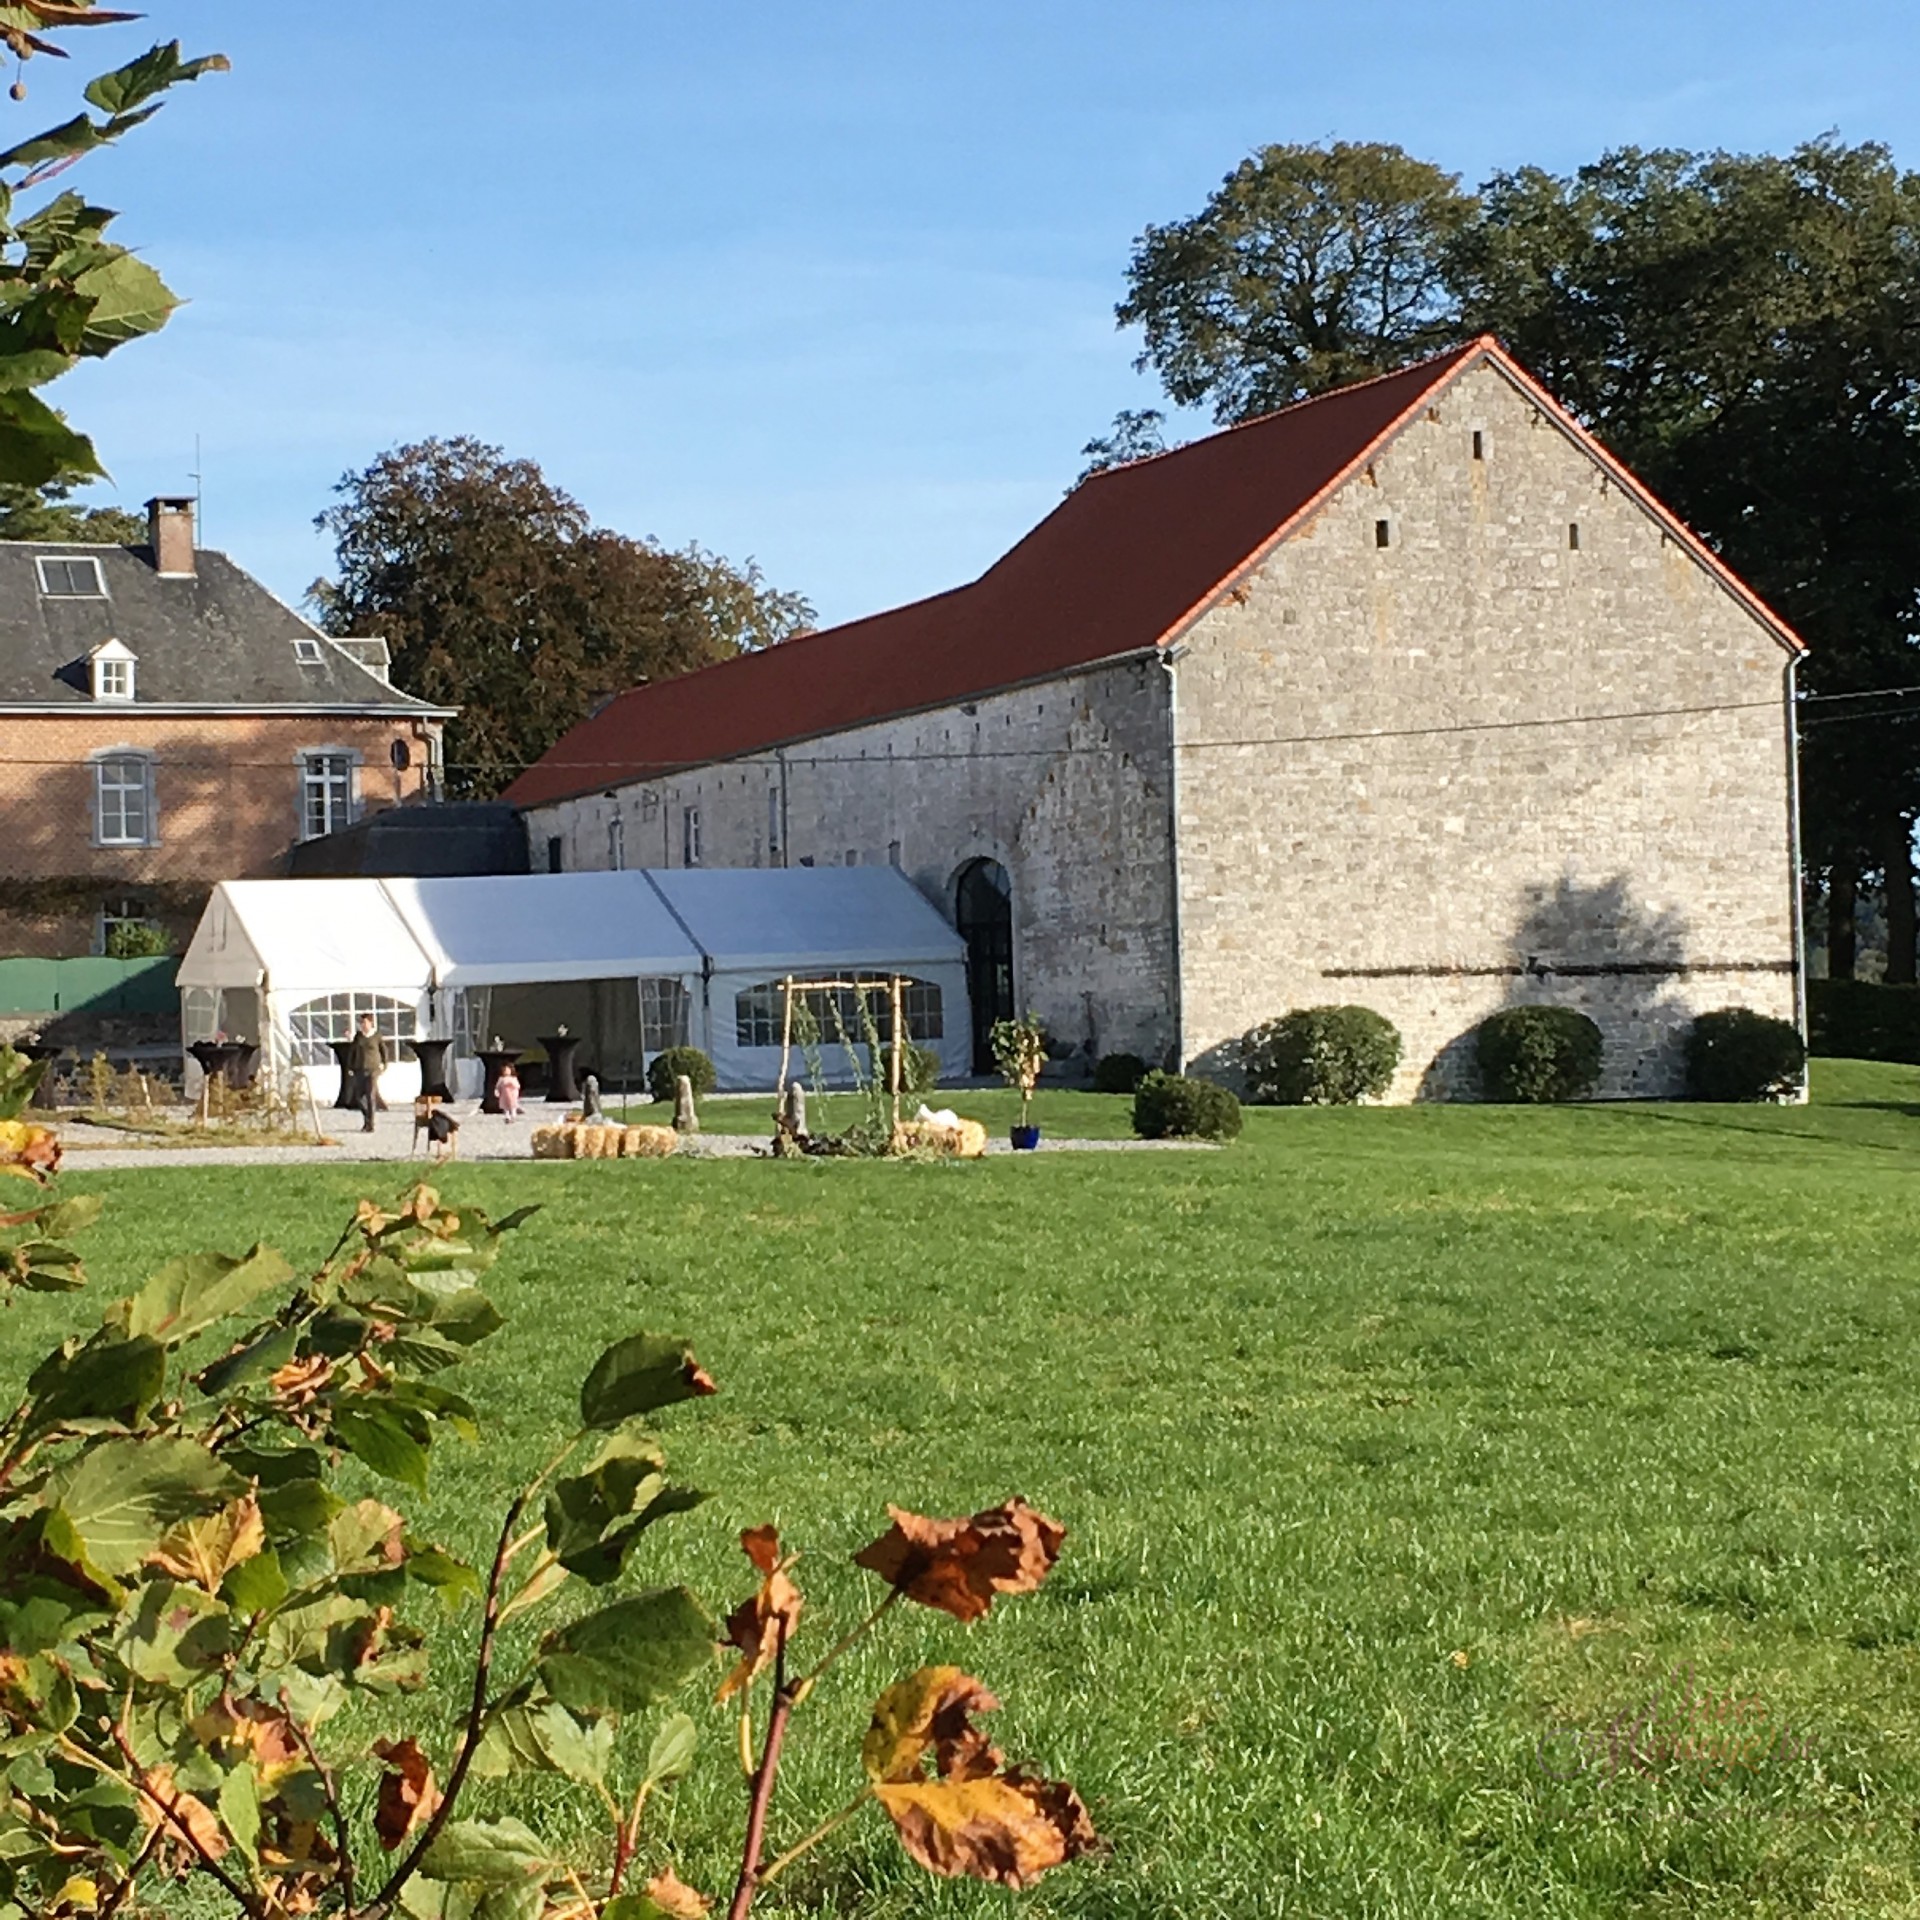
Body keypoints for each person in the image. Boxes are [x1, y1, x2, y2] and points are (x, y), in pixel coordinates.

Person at [345, 1013, 386, 1133]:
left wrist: (384, 1064)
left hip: (373, 1069)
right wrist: (350, 1066)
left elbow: (384, 1051)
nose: (363, 1025)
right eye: (361, 1023)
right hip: (359, 1069)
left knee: (370, 1095)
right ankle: (367, 1117)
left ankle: (370, 1124)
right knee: (358, 1097)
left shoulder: (376, 1036)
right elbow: (352, 1051)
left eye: (365, 1022)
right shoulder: (358, 1036)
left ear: (370, 1023)